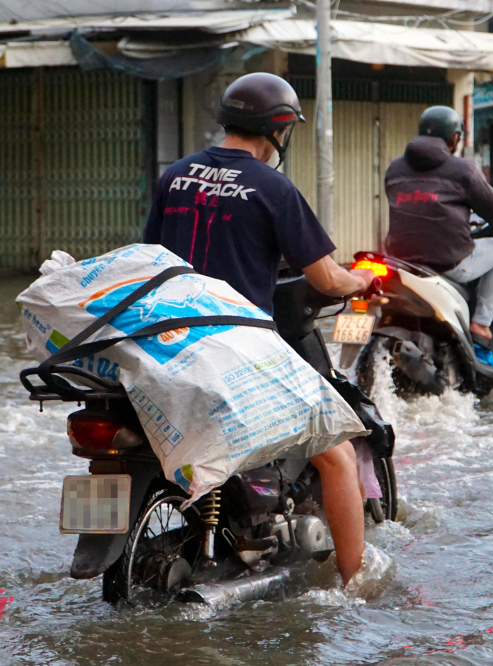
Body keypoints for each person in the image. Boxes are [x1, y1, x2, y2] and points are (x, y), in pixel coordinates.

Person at [142, 72, 374, 586]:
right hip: (238, 348)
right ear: (280, 128)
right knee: (336, 455)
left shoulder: (175, 176)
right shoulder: (272, 187)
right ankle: (354, 586)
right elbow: (325, 278)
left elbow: (151, 259)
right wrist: (360, 278)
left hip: (167, 346)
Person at [384, 106, 493, 357]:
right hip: (447, 261)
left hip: (400, 261)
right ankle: (481, 324)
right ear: (454, 138)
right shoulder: (463, 170)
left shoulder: (395, 168)